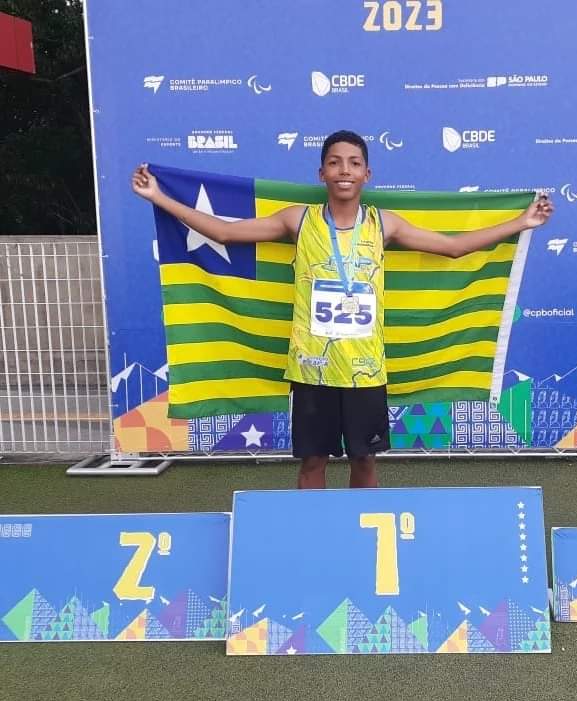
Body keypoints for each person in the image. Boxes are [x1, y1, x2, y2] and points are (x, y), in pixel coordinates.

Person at [132, 130, 554, 489]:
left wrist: (522, 223)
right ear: (322, 173)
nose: (344, 170)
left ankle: (359, 539)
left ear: (367, 174)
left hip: (365, 370)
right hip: (312, 369)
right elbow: (224, 231)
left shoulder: (384, 224)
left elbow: (454, 247)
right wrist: (159, 197)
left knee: (365, 461)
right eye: (335, 163)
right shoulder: (298, 220)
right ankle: (312, 539)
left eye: (354, 163)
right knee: (313, 462)